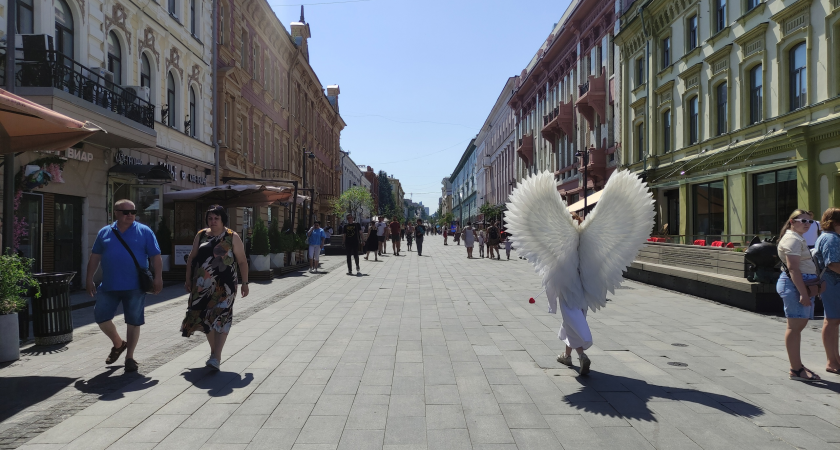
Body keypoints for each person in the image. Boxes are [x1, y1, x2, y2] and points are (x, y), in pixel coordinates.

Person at [86, 199, 163, 373]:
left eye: (133, 212)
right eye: (126, 212)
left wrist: (158, 278)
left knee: (133, 321)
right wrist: (89, 278)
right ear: (116, 213)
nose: (130, 215)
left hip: (135, 286)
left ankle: (130, 357)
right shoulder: (105, 232)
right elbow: (95, 257)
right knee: (101, 316)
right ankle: (118, 344)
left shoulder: (144, 231)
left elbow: (156, 257)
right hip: (109, 285)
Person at [181, 205, 249, 370]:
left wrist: (245, 283)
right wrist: (188, 279)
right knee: (205, 319)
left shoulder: (232, 236)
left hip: (225, 286)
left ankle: (216, 356)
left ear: (222, 219)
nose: (213, 221)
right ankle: (215, 355)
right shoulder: (201, 235)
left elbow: (242, 261)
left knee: (221, 318)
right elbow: (191, 258)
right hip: (202, 285)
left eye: (216, 218)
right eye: (210, 218)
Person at [777, 209, 825, 382]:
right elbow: (793, 269)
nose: (807, 224)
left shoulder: (797, 238)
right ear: (792, 221)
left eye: (810, 222)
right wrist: (804, 294)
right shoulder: (792, 239)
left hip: (801, 285)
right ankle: (796, 369)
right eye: (802, 220)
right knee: (794, 327)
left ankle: (797, 366)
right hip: (796, 286)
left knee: (797, 327)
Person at [814, 207, 840, 375]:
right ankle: (832, 361)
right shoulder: (832, 238)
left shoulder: (826, 236)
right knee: (832, 321)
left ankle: (835, 358)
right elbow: (833, 264)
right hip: (833, 283)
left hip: (830, 283)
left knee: (832, 320)